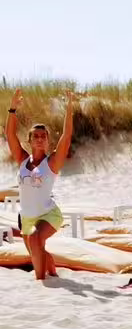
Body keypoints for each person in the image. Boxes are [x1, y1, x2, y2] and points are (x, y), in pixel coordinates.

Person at [5, 89, 74, 280]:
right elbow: (9, 134)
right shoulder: (22, 159)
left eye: (44, 135)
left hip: (48, 214)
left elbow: (66, 137)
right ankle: (53, 274)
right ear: (29, 140)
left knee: (36, 239)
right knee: (38, 251)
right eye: (36, 135)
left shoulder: (51, 163)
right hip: (26, 217)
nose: (40, 138)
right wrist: (12, 109)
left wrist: (69, 107)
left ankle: (41, 284)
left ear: (48, 140)